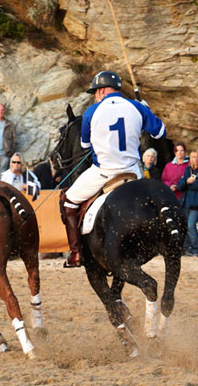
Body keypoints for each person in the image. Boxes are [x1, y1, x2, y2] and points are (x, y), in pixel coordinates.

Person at [60, 71, 167, 268]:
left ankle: (75, 253)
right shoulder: (136, 107)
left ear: (101, 91)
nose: (94, 96)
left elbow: (84, 146)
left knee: (69, 200)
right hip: (134, 173)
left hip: (104, 172)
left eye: (94, 92)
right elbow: (161, 132)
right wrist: (147, 111)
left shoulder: (92, 111)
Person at [177, 150, 198, 256]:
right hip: (185, 202)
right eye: (193, 157)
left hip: (197, 202)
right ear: (190, 158)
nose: (195, 159)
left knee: (191, 225)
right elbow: (179, 186)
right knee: (184, 226)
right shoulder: (188, 170)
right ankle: (186, 248)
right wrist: (187, 182)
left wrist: (189, 183)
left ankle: (196, 249)